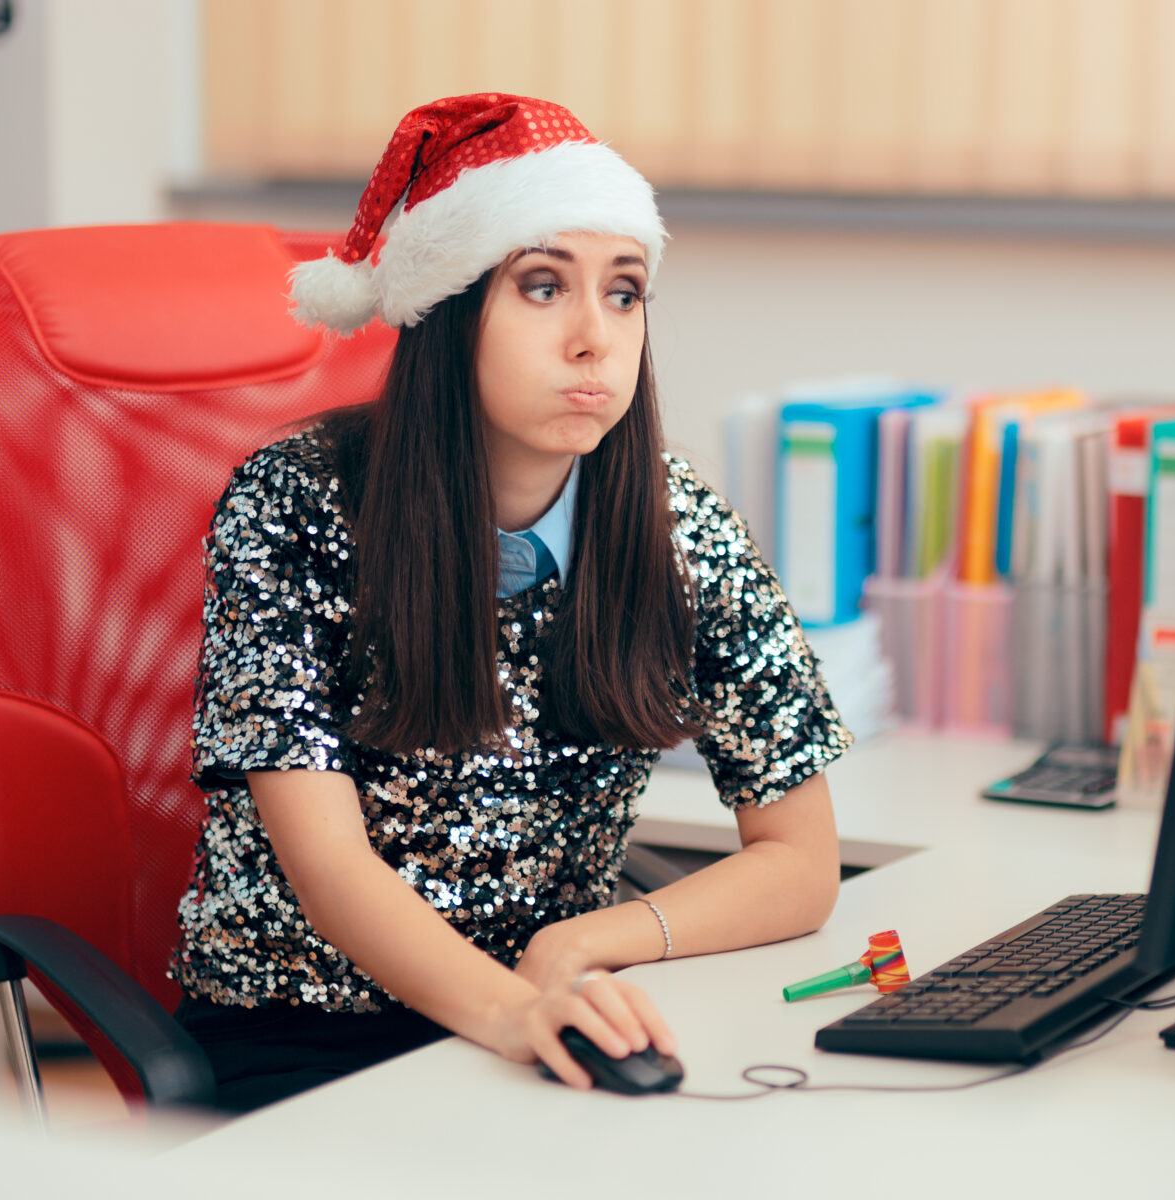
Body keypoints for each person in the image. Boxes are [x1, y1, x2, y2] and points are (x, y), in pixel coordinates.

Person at [169, 94, 851, 1113]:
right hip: (307, 1033)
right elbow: (327, 866)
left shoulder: (675, 522)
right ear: (451, 310)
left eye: (625, 295)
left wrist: (582, 943)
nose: (595, 339)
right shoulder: (295, 501)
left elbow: (801, 860)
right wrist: (512, 1016)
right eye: (543, 287)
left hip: (547, 1014)